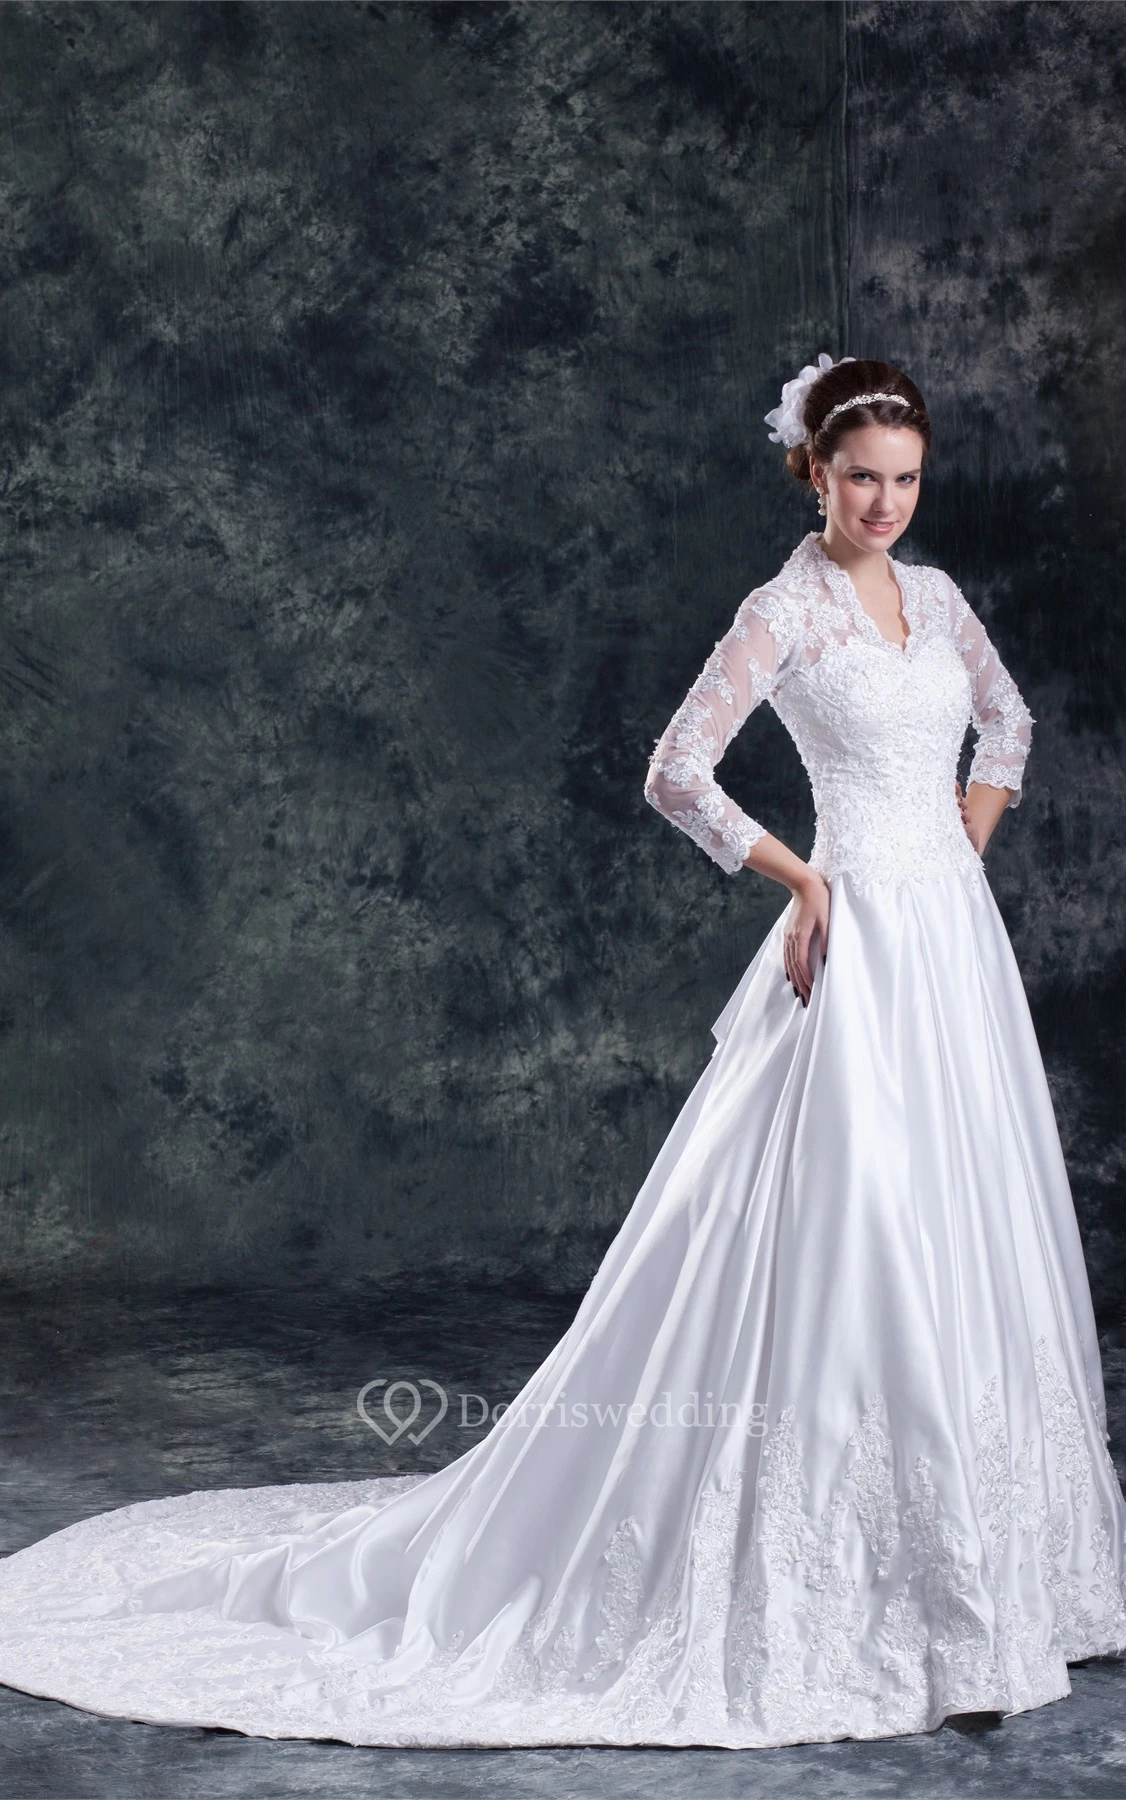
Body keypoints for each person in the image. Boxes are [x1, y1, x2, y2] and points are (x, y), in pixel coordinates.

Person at [0, 356, 1123, 1752]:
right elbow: (674, 770)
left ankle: (997, 1566)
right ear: (813, 474)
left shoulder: (939, 598)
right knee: (861, 1236)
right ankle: (881, 1581)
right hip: (855, 946)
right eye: (859, 479)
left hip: (951, 947)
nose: (884, 503)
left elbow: (1008, 724)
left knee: (967, 1224)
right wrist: (805, 880)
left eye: (903, 479)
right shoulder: (780, 612)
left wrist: (959, 851)